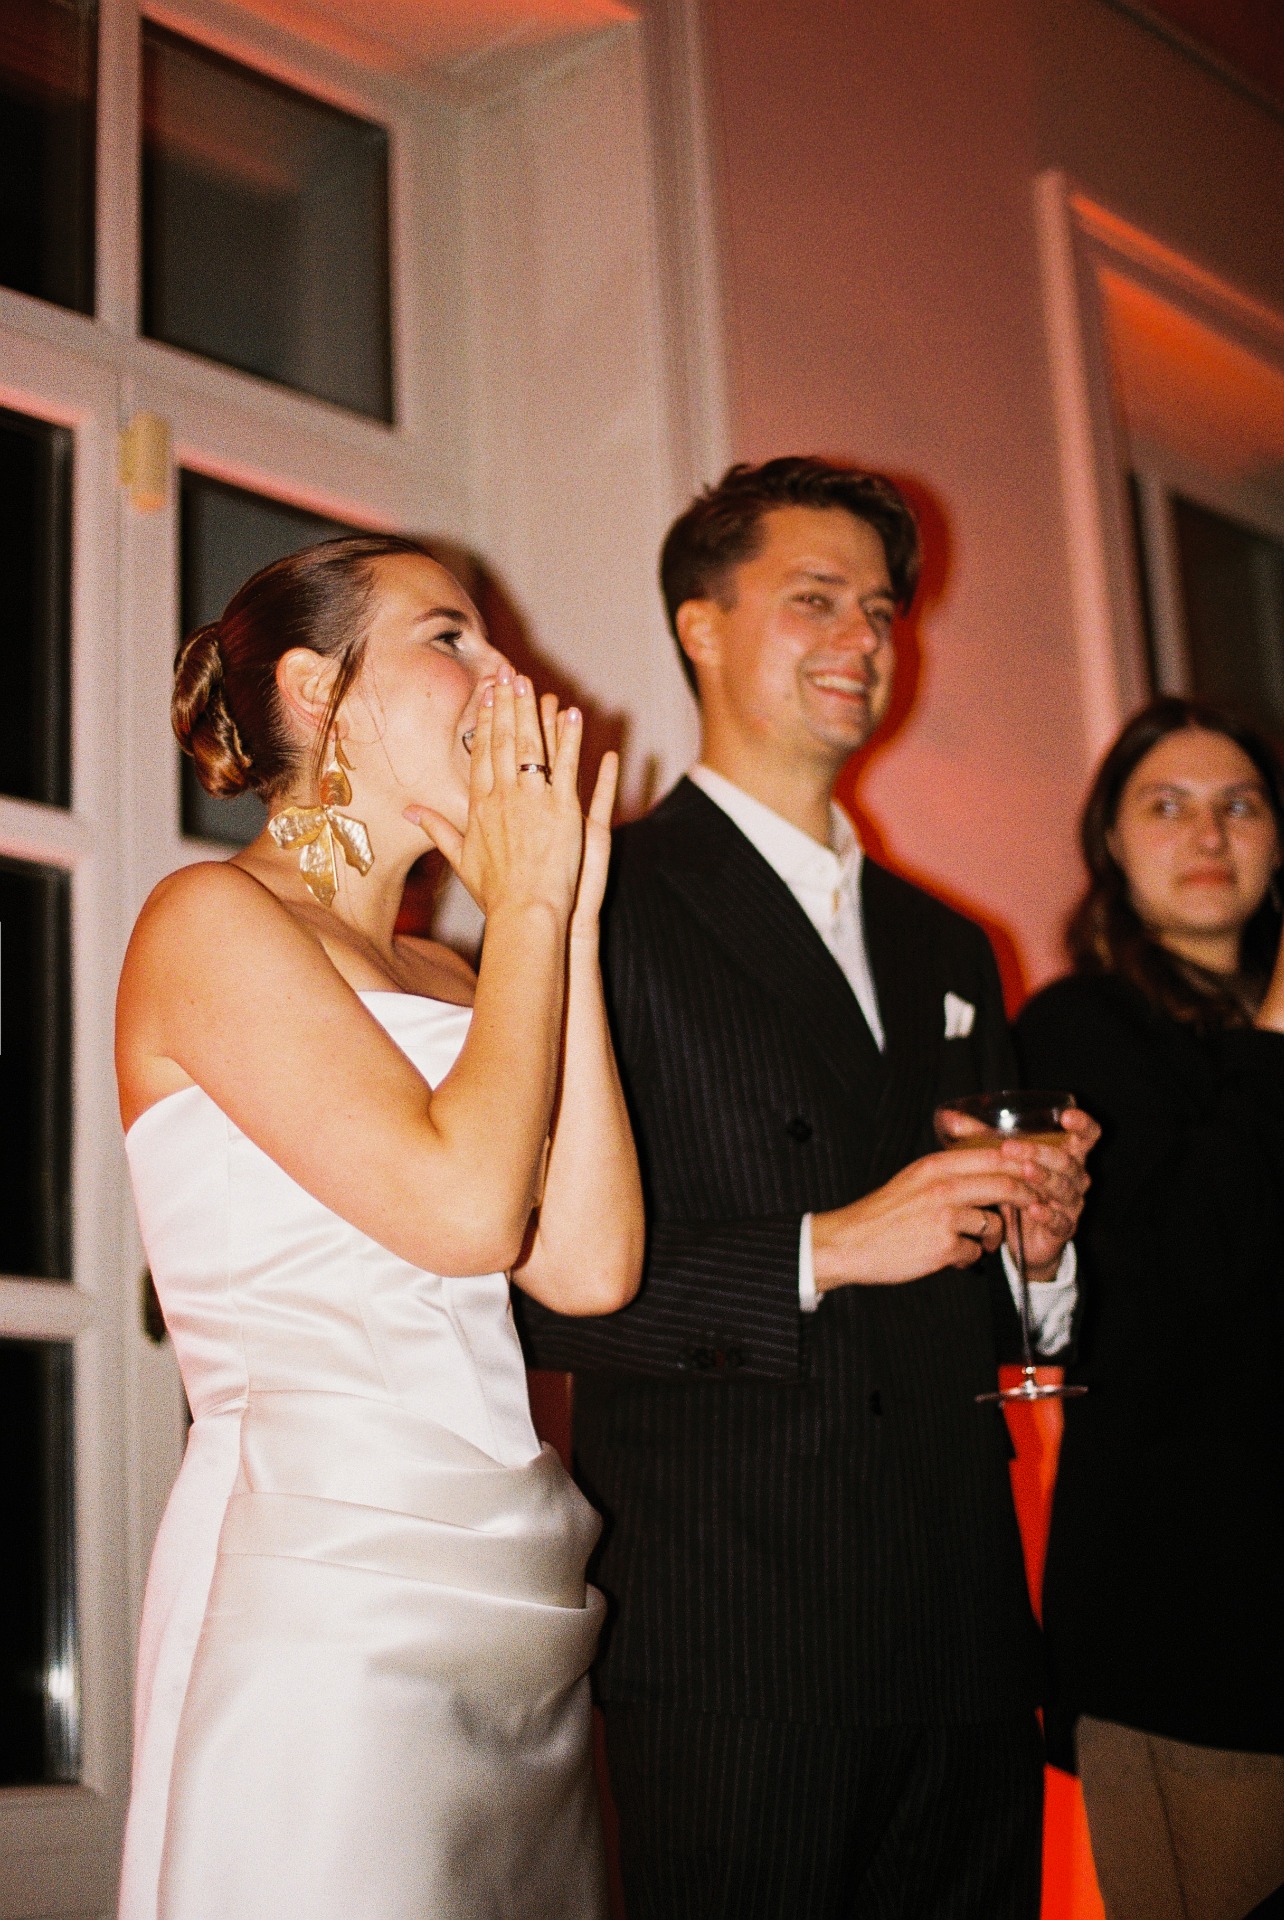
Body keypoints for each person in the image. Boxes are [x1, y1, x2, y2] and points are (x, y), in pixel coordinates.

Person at [518, 456, 1096, 1918]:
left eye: (883, 611)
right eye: (816, 600)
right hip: (737, 1634)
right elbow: (526, 1284)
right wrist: (824, 1248)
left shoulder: (952, 943)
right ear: (700, 625)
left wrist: (1039, 1249)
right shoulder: (596, 901)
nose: (864, 640)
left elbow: (997, 1324)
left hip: (964, 1630)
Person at [114, 534, 643, 1920]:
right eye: (452, 637)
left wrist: (565, 924)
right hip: (320, 1584)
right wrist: (529, 904)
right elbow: (464, 1211)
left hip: (504, 1581)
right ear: (317, 690)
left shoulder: (453, 968)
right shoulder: (209, 918)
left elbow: (588, 1265)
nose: (505, 673)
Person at [1016, 698, 1284, 1920]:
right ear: (1111, 847)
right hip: (1191, 1625)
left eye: (1241, 805)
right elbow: (1187, 1271)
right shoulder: (1080, 1027)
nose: (1210, 835)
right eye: (1167, 807)